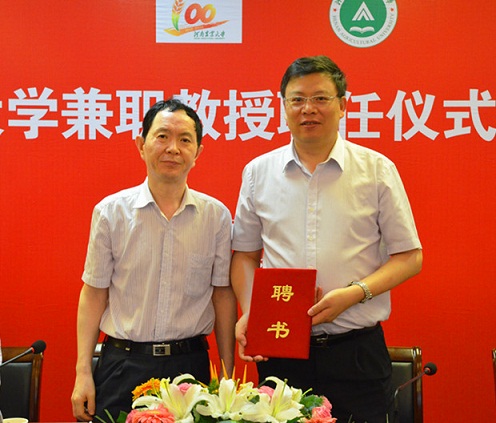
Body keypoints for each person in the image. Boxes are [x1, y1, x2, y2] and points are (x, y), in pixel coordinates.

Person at [231, 56, 422, 423]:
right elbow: (244, 255)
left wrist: (355, 293)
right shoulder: (258, 172)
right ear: (283, 105)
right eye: (297, 99)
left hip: (356, 351)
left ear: (343, 104)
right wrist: (254, 312)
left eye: (320, 98)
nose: (308, 109)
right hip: (281, 349)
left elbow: (410, 257)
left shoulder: (376, 170)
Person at [71, 99, 237, 421]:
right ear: (141, 145)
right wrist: (83, 372)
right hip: (123, 365)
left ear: (198, 152)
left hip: (190, 368)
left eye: (185, 139)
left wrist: (227, 374)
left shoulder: (216, 217)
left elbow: (222, 295)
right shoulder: (111, 213)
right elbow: (93, 293)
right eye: (162, 136)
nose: (173, 148)